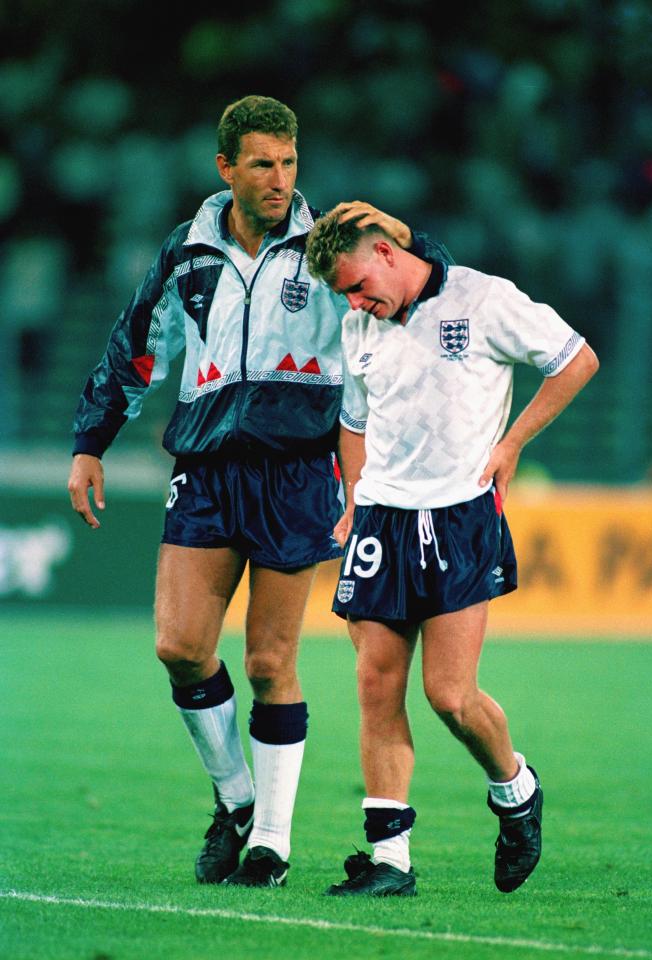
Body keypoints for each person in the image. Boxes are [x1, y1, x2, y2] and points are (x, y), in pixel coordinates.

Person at [67, 95, 450, 889]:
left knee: (271, 662)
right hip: (206, 468)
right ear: (226, 169)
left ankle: (269, 845)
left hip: (298, 470)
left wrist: (409, 239)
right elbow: (137, 345)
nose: (279, 180)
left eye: (288, 164)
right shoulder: (189, 252)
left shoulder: (325, 245)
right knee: (178, 647)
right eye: (262, 165)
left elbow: (416, 285)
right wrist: (89, 443)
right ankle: (236, 800)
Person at [305, 208, 599, 897]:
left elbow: (574, 360)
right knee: (375, 682)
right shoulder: (359, 326)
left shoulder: (482, 298)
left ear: (384, 251)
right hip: (382, 515)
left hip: (459, 515)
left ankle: (514, 790)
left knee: (449, 695)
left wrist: (512, 442)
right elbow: (354, 421)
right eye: (344, 296)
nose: (354, 303)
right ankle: (389, 860)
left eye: (357, 286)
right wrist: (353, 499)